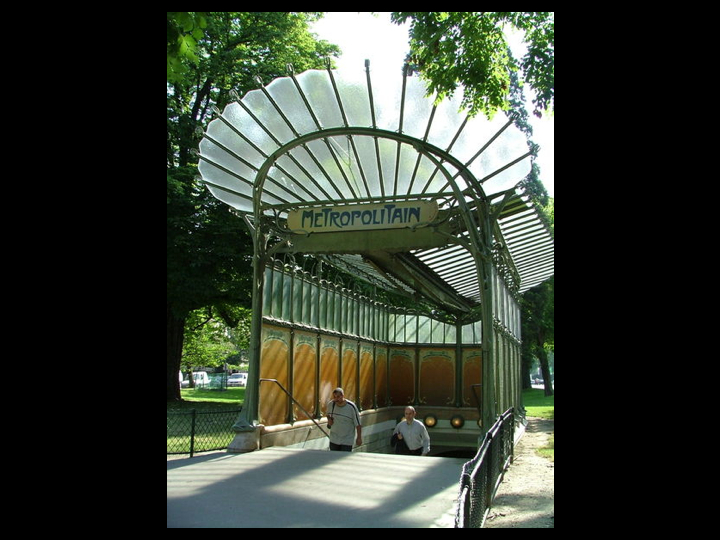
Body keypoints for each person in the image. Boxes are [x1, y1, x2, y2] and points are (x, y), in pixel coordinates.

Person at [326, 387, 362, 451]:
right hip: (334, 439)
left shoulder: (351, 407)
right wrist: (329, 420)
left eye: (338, 397)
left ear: (342, 396)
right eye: (334, 397)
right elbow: (327, 414)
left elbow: (358, 424)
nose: (336, 399)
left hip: (347, 440)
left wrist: (359, 437)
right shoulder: (331, 404)